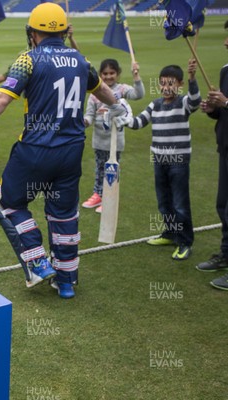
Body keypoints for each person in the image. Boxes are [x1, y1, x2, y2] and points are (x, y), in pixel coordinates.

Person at [0, 2, 132, 298]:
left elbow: (2, 99)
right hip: (71, 151)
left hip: (35, 150)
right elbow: (100, 90)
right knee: (64, 215)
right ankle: (67, 280)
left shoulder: (28, 59)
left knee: (4, 199)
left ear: (33, 32)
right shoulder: (81, 60)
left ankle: (37, 261)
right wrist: (118, 107)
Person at [118, 61, 199, 261]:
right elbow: (139, 122)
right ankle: (170, 234)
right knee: (164, 202)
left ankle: (185, 242)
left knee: (180, 204)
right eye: (163, 83)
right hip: (159, 160)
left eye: (171, 84)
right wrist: (125, 120)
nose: (166, 88)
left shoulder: (183, 103)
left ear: (179, 85)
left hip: (179, 161)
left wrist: (192, 78)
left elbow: (196, 101)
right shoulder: (155, 104)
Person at [82, 59, 144, 213]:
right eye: (105, 73)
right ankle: (98, 194)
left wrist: (136, 77)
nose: (109, 76)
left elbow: (138, 94)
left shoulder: (122, 89)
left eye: (112, 73)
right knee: (99, 168)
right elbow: (89, 115)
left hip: (115, 140)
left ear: (118, 74)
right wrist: (84, 122)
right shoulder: (94, 94)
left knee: (112, 169)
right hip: (99, 140)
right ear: (100, 74)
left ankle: (110, 198)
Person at [196, 21, 228, 289]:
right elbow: (223, 112)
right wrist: (213, 109)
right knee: (223, 206)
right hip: (225, 145)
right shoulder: (225, 70)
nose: (226, 42)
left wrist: (226, 102)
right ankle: (226, 255)